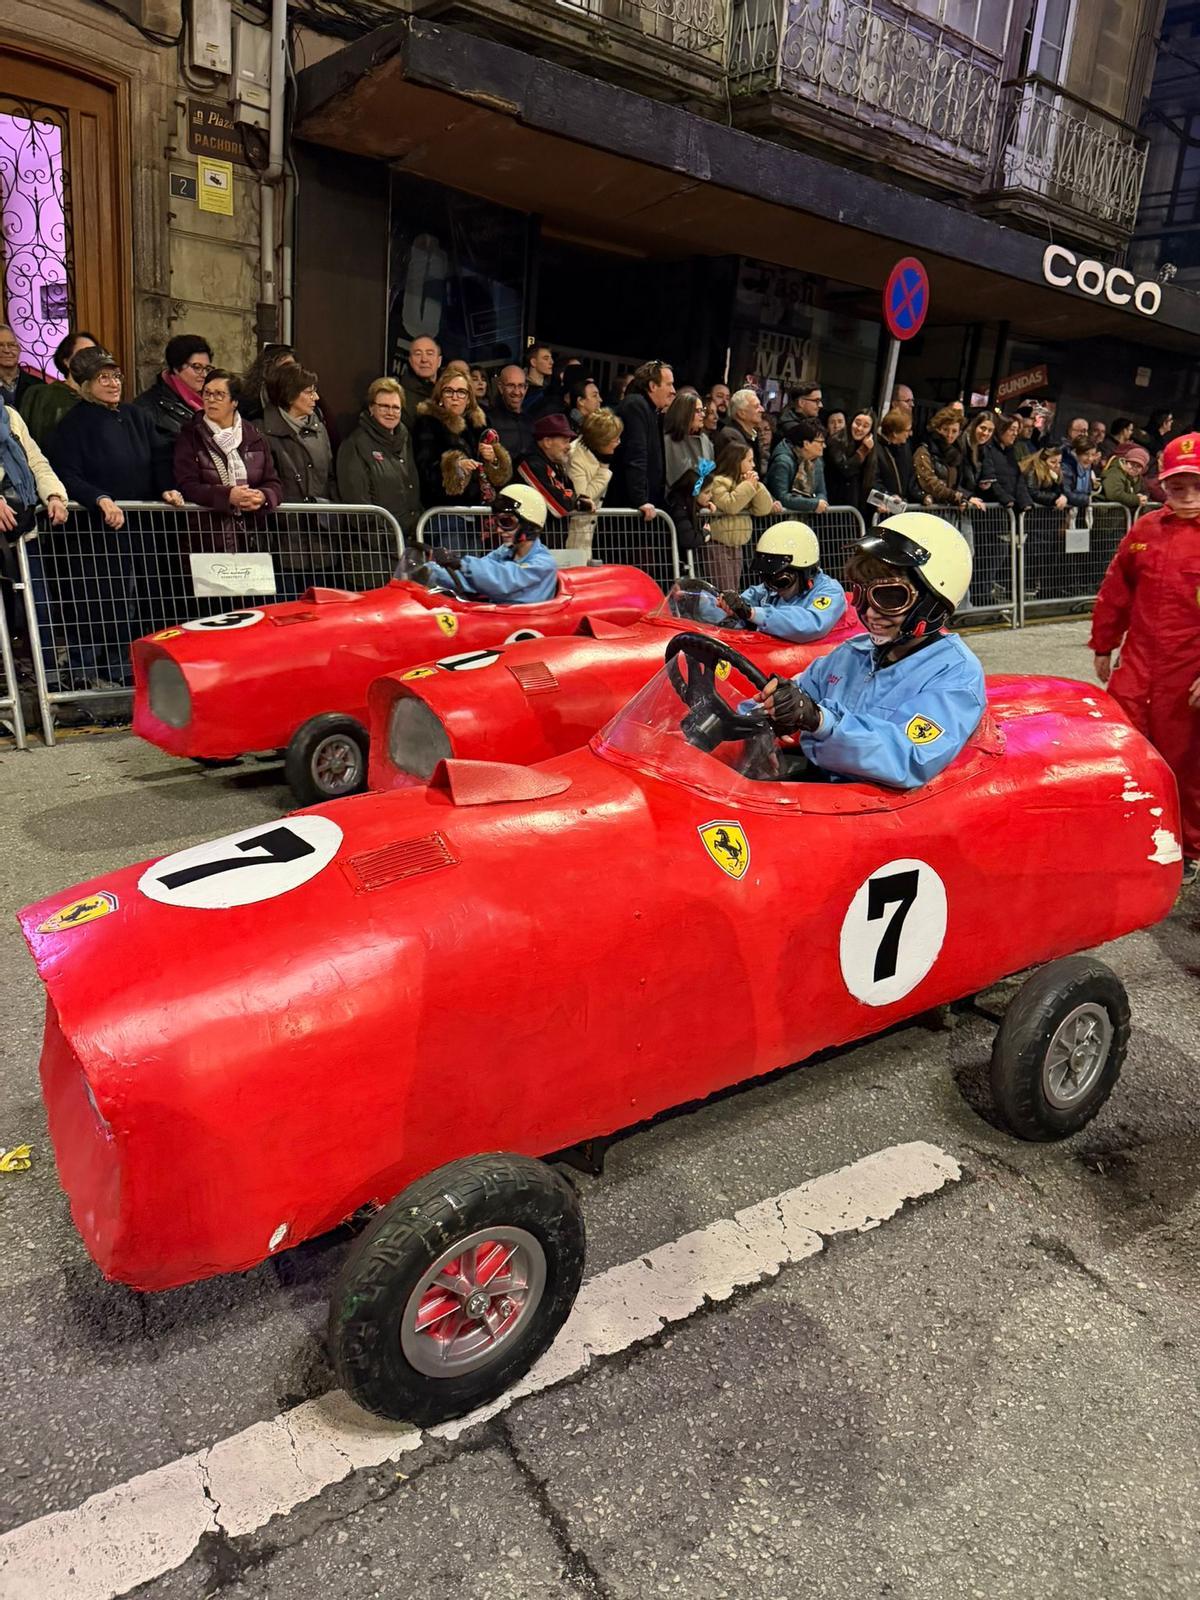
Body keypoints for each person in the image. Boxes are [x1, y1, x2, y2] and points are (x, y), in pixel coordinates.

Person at [757, 513, 985, 788]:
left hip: (876, 814)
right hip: (824, 792)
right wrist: (768, 713)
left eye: (889, 597)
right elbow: (799, 691)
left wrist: (818, 720)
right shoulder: (851, 655)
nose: (869, 613)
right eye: (861, 594)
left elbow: (908, 757)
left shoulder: (956, 676)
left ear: (933, 602)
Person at [1091, 432, 1200, 884]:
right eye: (1178, 486)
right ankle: (1129, 830)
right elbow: (1117, 589)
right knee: (1124, 747)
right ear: (1163, 485)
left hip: (1188, 671)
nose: (1188, 496)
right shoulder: (1145, 530)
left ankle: (1189, 846)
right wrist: (1104, 643)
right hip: (1137, 666)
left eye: (1197, 485)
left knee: (1187, 761)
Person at [46, 348, 183, 683]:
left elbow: (161, 455)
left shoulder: (136, 416)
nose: (112, 383)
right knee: (98, 601)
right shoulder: (73, 424)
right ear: (84, 385)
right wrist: (99, 498)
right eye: (102, 377)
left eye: (116, 375)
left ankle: (121, 667)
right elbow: (66, 473)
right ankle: (81, 672)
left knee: (136, 600)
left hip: (138, 526)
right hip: (96, 530)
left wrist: (166, 486)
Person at [173, 369, 282, 540]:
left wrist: (263, 497)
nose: (211, 400)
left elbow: (273, 482)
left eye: (219, 395)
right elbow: (187, 485)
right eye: (207, 393)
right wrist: (227, 496)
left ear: (234, 402)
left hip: (251, 536)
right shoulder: (191, 435)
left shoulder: (254, 436)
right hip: (207, 536)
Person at [699, 521, 847, 642]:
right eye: (766, 577)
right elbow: (728, 609)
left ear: (804, 572)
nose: (771, 586)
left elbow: (811, 624)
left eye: (780, 580)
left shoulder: (830, 591)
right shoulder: (766, 591)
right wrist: (704, 601)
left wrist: (751, 613)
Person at [0, 397, 69, 649]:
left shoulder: (9, 415)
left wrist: (53, 495)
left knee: (38, 604)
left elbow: (36, 461)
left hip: (22, 527)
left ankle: (47, 674)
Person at [419, 483, 557, 603]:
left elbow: (504, 580)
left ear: (529, 525)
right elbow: (473, 578)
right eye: (497, 522)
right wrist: (428, 571)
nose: (498, 529)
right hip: (500, 618)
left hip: (526, 621)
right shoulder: (504, 552)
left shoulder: (543, 563)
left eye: (506, 522)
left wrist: (460, 563)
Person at [412, 367, 511, 512]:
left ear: (469, 399)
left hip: (480, 511)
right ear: (440, 397)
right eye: (449, 391)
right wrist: (456, 467)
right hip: (446, 512)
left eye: (461, 392)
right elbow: (425, 471)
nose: (455, 397)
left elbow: (499, 476)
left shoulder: (479, 425)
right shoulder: (428, 423)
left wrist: (493, 459)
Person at [336, 376, 420, 532]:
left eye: (396, 407)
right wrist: (382, 540)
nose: (390, 412)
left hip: (407, 540)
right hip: (374, 546)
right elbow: (358, 505)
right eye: (384, 406)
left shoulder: (406, 440)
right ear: (371, 408)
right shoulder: (355, 444)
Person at [608, 359, 675, 520]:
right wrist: (640, 500)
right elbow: (635, 455)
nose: (673, 390)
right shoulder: (635, 405)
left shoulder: (650, 410)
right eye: (669, 384)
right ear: (653, 386)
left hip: (641, 507)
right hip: (629, 508)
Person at [704, 438, 773, 591]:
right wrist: (748, 485)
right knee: (724, 590)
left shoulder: (745, 482)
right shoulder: (718, 482)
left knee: (733, 589)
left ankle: (730, 615)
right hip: (718, 545)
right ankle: (722, 616)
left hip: (737, 546)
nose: (753, 465)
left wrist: (757, 486)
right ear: (736, 461)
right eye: (749, 461)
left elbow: (763, 509)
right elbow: (730, 505)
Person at [261, 365, 336, 501]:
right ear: (289, 395)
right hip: (284, 518)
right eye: (309, 392)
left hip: (320, 517)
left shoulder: (319, 429)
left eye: (315, 391)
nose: (316, 397)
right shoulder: (262, 432)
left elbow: (330, 477)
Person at [16, 328, 98, 449]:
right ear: (66, 361)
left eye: (95, 353)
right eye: (83, 353)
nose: (90, 359)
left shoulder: (102, 399)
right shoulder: (41, 395)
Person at [133, 333, 212, 446]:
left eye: (207, 368)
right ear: (176, 368)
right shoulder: (147, 408)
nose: (204, 374)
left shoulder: (211, 400)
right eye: (197, 367)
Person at [663, 390, 714, 555]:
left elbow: (706, 475)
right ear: (684, 413)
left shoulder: (706, 442)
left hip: (695, 513)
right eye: (697, 411)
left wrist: (704, 498)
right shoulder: (667, 441)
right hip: (673, 510)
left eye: (702, 410)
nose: (702, 415)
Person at [566, 407, 622, 555]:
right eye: (615, 439)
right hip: (575, 536)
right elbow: (584, 499)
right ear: (601, 441)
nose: (618, 443)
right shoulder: (576, 457)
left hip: (589, 533)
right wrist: (603, 470)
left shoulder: (595, 453)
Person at [913, 407, 985, 511]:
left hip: (948, 509)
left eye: (954, 431)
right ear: (937, 428)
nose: (949, 435)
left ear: (959, 432)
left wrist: (965, 497)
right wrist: (959, 497)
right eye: (945, 429)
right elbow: (929, 482)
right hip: (928, 509)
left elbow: (956, 484)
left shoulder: (956, 452)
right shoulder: (924, 450)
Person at [516, 413, 584, 520]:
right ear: (547, 442)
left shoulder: (556, 464)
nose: (569, 447)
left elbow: (570, 492)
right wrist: (577, 501)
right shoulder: (531, 464)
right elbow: (559, 506)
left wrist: (575, 499)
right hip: (528, 535)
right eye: (565, 441)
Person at [768, 418, 828, 515]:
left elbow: (821, 491)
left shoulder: (817, 462)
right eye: (820, 442)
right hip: (780, 519)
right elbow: (781, 497)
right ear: (806, 444)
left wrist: (821, 502)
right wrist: (813, 504)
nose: (824, 446)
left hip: (807, 520)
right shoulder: (782, 461)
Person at [825, 408, 877, 513]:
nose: (859, 428)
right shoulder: (835, 441)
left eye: (866, 426)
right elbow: (845, 469)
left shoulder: (872, 447)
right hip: (836, 504)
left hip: (858, 505)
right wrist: (863, 450)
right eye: (857, 423)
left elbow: (871, 480)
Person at [491, 366, 538, 462]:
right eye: (511, 385)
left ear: (526, 388)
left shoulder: (531, 421)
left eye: (521, 386)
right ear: (500, 388)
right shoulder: (489, 421)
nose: (516, 392)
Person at [240, 344, 297, 423]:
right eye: (286, 366)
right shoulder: (249, 402)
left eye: (293, 366)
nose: (291, 370)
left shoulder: (302, 395)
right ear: (268, 368)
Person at [716, 389, 766, 470]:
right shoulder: (731, 436)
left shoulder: (752, 435)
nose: (762, 410)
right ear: (741, 413)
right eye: (756, 406)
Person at [399, 336, 441, 427]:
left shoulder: (449, 393)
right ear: (410, 360)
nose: (424, 359)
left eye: (430, 354)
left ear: (439, 361)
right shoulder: (399, 396)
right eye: (418, 354)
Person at [876, 408, 916, 503]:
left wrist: (922, 496)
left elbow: (911, 477)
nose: (910, 434)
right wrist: (889, 497)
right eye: (907, 430)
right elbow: (873, 481)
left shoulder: (905, 449)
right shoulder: (878, 450)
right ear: (895, 433)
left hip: (900, 504)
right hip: (884, 507)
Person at [0, 325, 42, 411]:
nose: (7, 350)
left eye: (12, 345)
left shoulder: (39, 386)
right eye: (0, 345)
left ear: (19, 350)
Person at [1101, 445, 1150, 512]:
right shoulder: (1114, 473)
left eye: (1138, 466)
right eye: (1132, 464)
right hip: (1107, 516)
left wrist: (1143, 498)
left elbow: (1145, 492)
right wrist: (1137, 500)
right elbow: (1114, 494)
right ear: (1125, 462)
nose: (1134, 468)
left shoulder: (1137, 478)